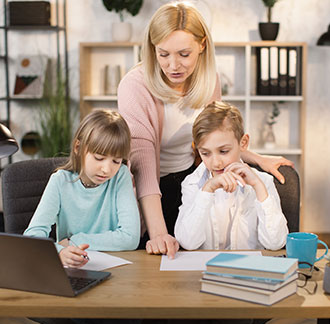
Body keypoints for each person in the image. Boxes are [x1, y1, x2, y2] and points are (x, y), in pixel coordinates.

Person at [118, 1, 293, 259]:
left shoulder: (208, 79)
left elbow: (218, 135)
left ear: (202, 46)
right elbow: (142, 166)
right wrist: (157, 233)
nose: (173, 65)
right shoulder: (135, 86)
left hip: (191, 179)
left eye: (184, 54)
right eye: (163, 54)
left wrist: (257, 159)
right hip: (150, 190)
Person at [24, 109, 141, 267]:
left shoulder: (120, 176)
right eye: (99, 158)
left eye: (116, 161)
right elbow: (32, 236)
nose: (107, 169)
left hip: (116, 270)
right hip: (74, 269)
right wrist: (59, 252)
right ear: (78, 147)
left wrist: (74, 241)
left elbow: (130, 238)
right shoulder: (60, 181)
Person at [174, 101, 289, 251]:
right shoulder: (192, 183)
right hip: (206, 270)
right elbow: (188, 243)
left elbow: (276, 243)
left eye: (223, 151)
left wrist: (258, 187)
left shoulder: (263, 182)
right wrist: (206, 190)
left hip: (249, 270)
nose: (216, 163)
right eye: (205, 153)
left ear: (243, 143)